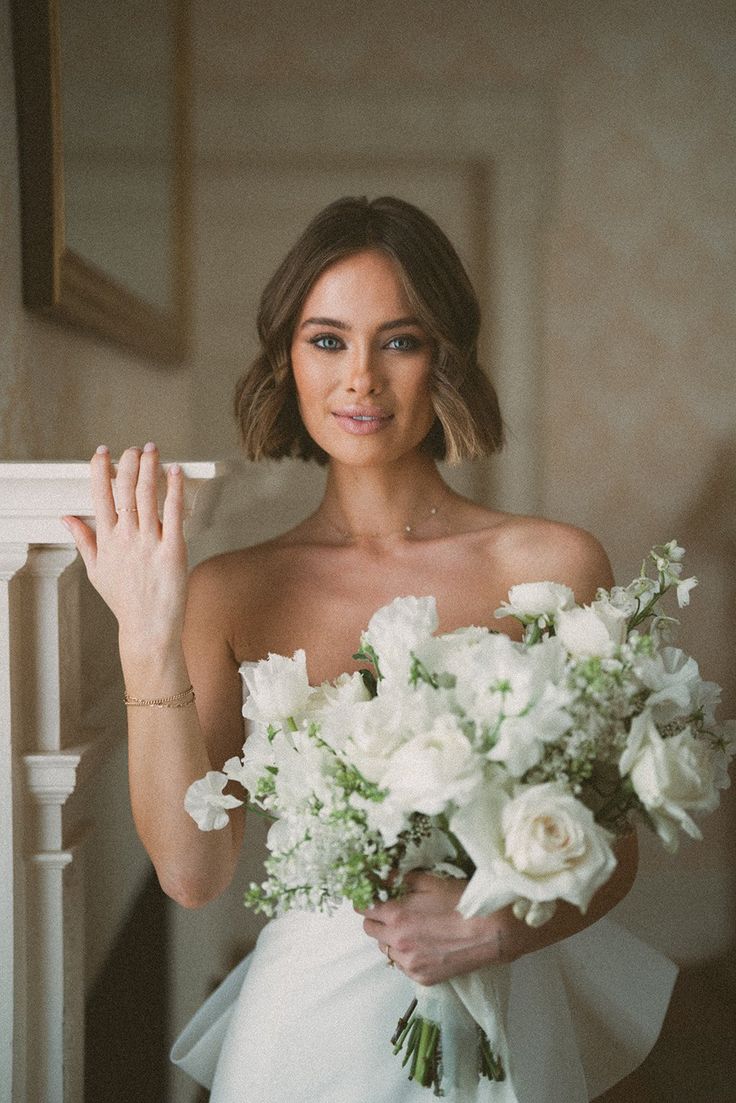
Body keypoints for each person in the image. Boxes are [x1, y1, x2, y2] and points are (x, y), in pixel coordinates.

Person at [63, 196, 677, 1102]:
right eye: (326, 340)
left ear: (446, 360)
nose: (360, 378)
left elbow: (613, 847)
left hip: (503, 1015)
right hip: (306, 1032)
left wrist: (496, 929)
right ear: (286, 362)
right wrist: (145, 636)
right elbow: (194, 874)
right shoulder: (231, 592)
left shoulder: (551, 566)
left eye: (398, 340)